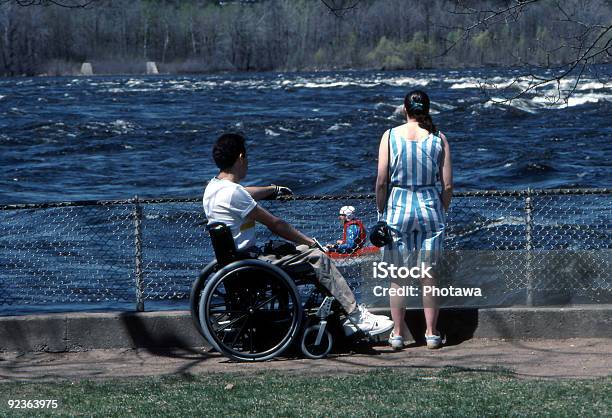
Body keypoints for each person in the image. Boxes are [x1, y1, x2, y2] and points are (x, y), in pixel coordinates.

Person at [203, 133, 393, 337]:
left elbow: (242, 192)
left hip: (236, 262)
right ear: (241, 157)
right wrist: (310, 241)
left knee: (303, 252)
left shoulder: (213, 188)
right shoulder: (234, 194)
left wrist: (271, 190)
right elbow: (276, 224)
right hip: (252, 262)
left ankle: (340, 313)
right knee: (317, 257)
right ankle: (356, 316)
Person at [375, 90, 453, 350]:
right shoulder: (438, 138)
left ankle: (397, 334)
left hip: (398, 207)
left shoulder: (389, 136)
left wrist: (380, 212)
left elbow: (382, 181)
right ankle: (431, 333)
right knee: (428, 275)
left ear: (403, 109)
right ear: (427, 109)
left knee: (398, 275)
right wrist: (441, 208)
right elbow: (448, 184)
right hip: (430, 206)